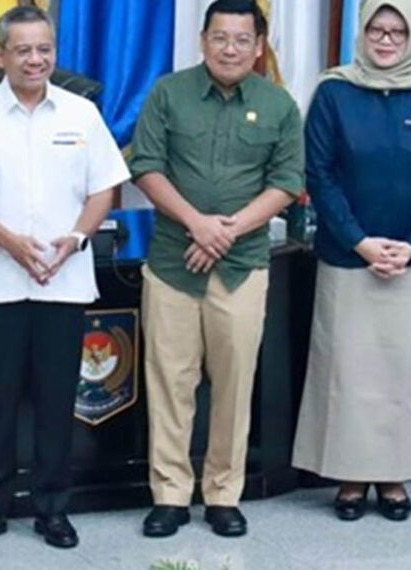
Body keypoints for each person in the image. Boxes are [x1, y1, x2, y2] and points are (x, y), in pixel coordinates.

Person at [0, 5, 130, 550]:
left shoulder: (81, 114)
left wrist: (76, 238)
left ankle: (53, 510)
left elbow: (103, 189)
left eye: (44, 48)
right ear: (0, 56)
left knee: (55, 399)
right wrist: (11, 243)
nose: (35, 59)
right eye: (22, 50)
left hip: (63, 281)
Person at [127, 0, 304, 539]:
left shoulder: (278, 104)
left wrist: (224, 231)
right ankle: (171, 496)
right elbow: (146, 168)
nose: (230, 49)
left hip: (242, 267)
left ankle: (224, 494)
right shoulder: (168, 94)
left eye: (241, 40)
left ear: (258, 46)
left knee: (233, 386)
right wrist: (196, 224)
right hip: (172, 265)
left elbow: (286, 181)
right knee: (170, 383)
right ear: (202, 41)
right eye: (219, 38)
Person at [291, 0, 411, 522]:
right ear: (361, 33)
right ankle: (348, 478)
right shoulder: (334, 92)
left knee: (401, 373)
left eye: (396, 31)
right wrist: (360, 241)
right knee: (347, 373)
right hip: (349, 259)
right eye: (376, 29)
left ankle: (393, 476)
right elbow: (318, 174)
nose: (386, 40)